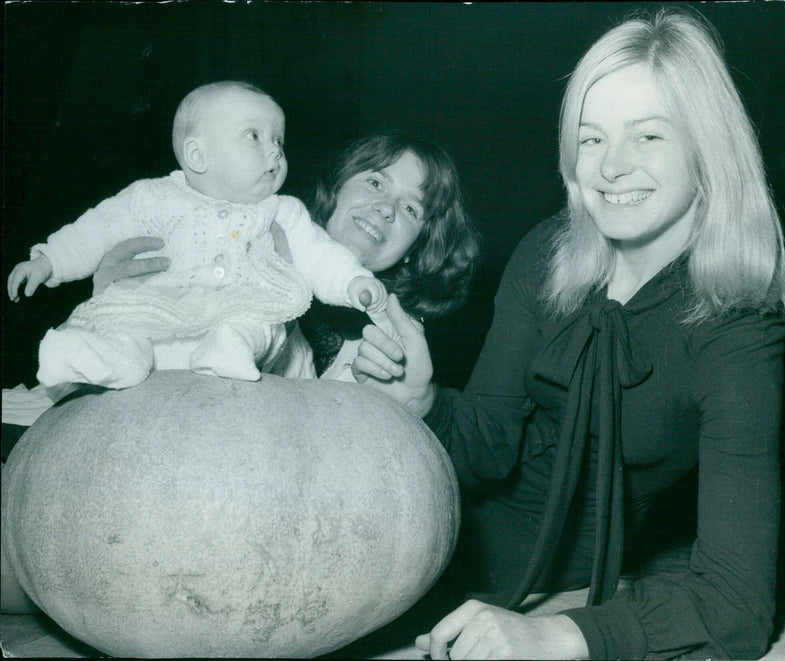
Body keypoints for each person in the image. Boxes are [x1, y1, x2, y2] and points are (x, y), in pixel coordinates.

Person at [354, 8, 785, 660]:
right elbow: (490, 441)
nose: (611, 166)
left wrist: (558, 633)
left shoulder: (740, 324)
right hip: (444, 526)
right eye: (591, 139)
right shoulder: (550, 252)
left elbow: (738, 603)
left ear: (708, 147)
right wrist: (426, 403)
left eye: (648, 136)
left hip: (571, 578)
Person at [0, 129, 480, 613]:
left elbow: (346, 493)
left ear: (419, 247)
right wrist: (107, 294)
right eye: (376, 183)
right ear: (335, 186)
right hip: (99, 453)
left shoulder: (386, 347)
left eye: (412, 209)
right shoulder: (232, 228)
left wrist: (410, 404)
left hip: (204, 520)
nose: (386, 209)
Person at [6, 80, 386, 389]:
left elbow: (318, 254)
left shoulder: (281, 210)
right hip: (159, 319)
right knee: (125, 330)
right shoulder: (152, 197)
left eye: (279, 141)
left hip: (236, 327)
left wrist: (352, 281)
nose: (274, 152)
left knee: (262, 321)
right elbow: (95, 229)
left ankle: (230, 347)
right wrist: (49, 260)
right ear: (198, 156)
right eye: (255, 136)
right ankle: (94, 356)